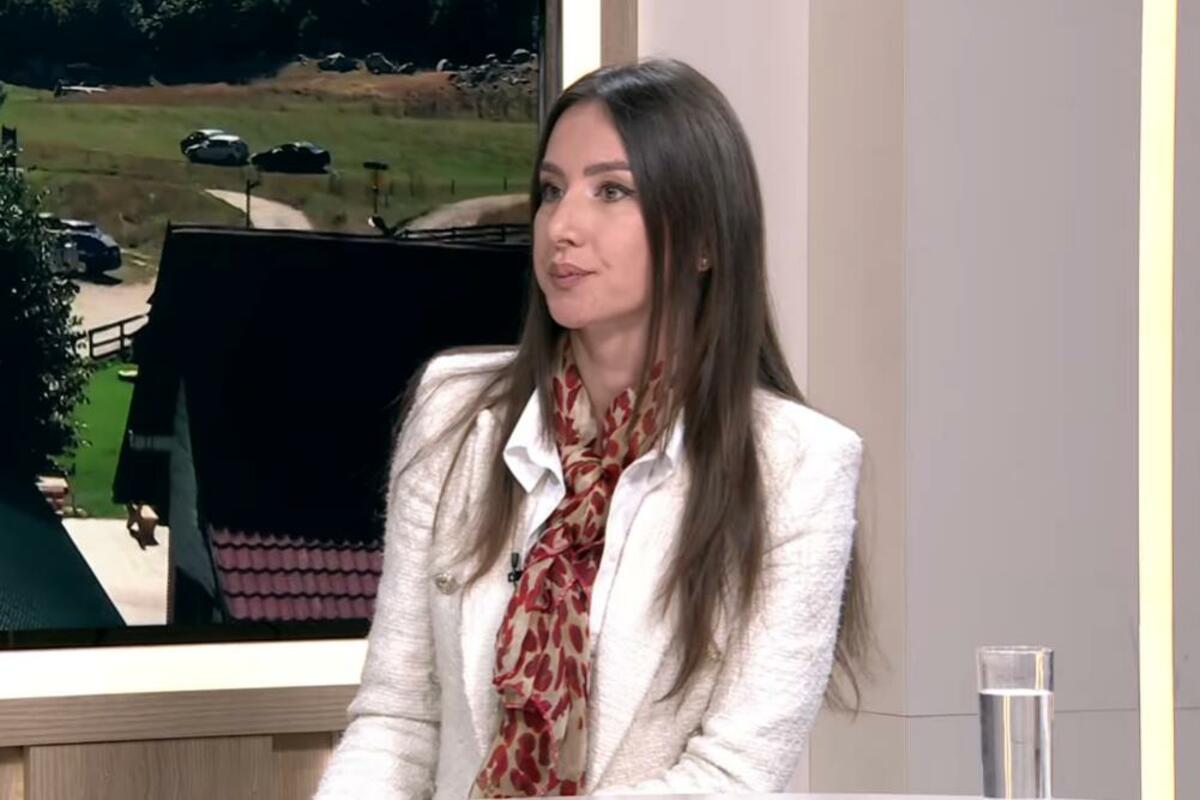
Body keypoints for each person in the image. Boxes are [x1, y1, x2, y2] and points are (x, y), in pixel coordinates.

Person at [314, 58, 866, 799]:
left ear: (705, 241)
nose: (562, 227)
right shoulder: (456, 413)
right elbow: (397, 721)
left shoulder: (797, 466)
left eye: (611, 191)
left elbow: (732, 776)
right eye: (551, 190)